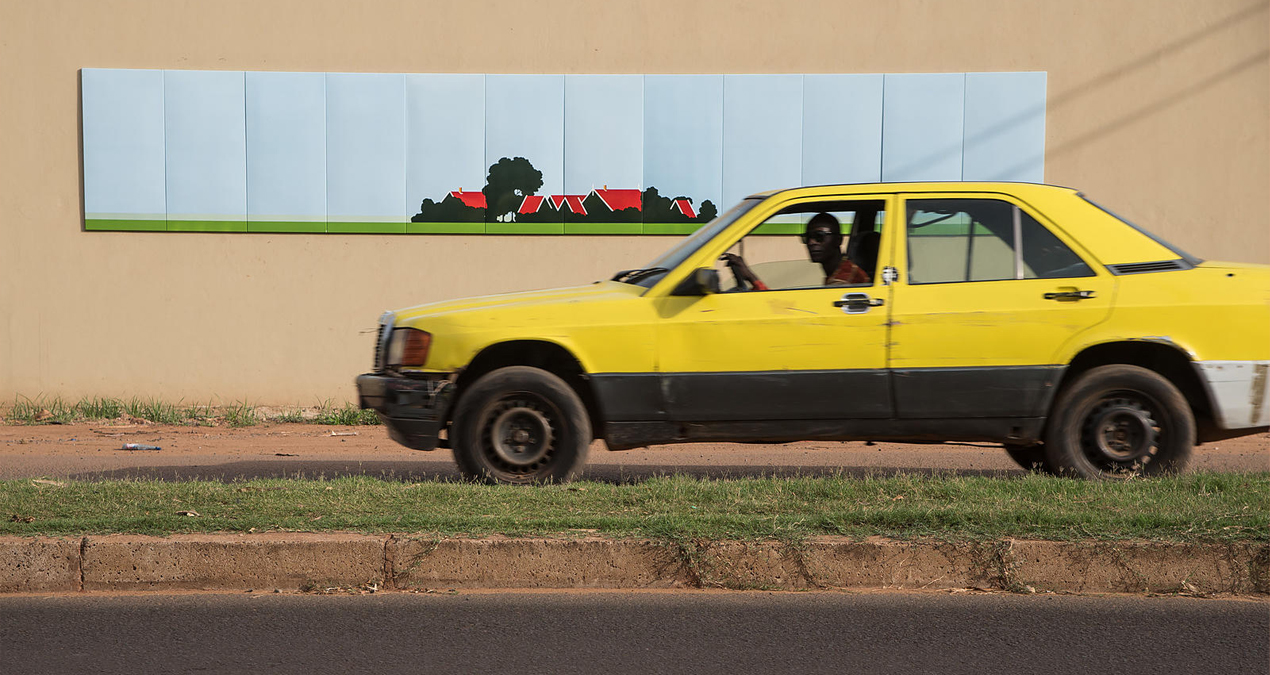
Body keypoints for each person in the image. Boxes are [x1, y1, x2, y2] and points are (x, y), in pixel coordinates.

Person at [720, 212, 870, 291]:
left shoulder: (844, 281)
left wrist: (751, 278)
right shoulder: (838, 272)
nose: (811, 243)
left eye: (819, 237)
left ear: (838, 241)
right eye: (807, 237)